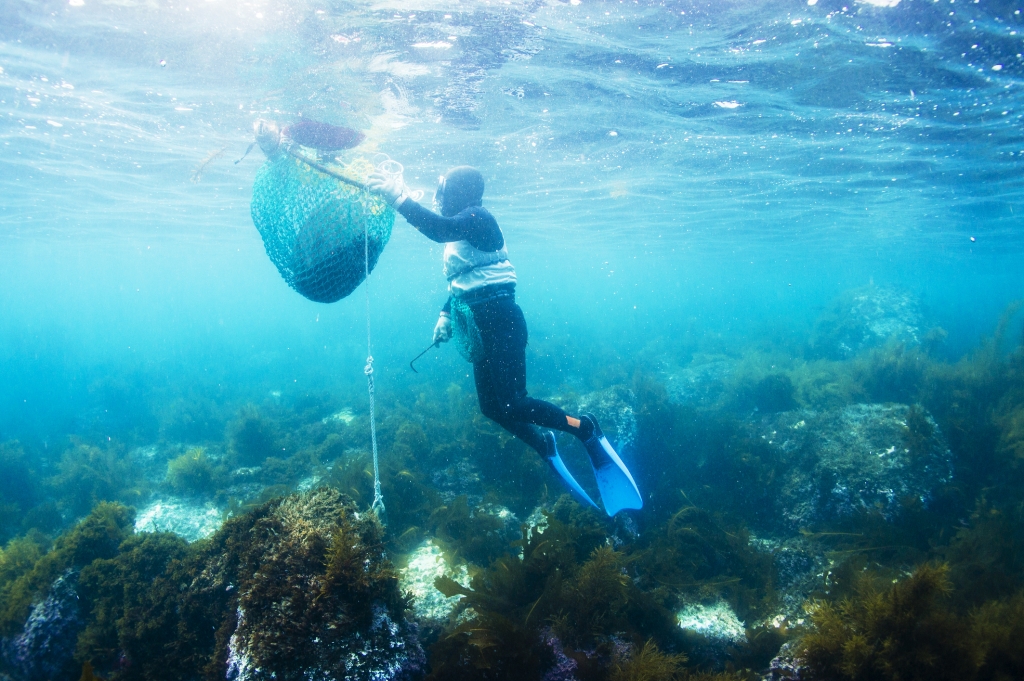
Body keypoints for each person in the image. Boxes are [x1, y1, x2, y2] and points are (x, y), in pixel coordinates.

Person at [366, 166, 641, 516]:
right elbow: (466, 278)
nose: (439, 196)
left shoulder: (479, 217)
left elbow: (438, 229)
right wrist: (445, 315)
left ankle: (583, 427)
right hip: (477, 322)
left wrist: (399, 198)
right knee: (491, 407)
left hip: (501, 321)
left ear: (460, 192)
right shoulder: (463, 226)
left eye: (444, 189)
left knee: (514, 401)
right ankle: (543, 442)